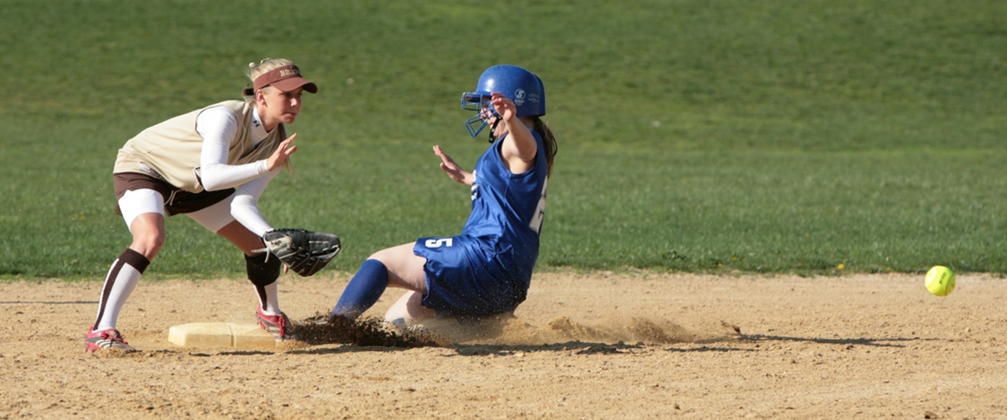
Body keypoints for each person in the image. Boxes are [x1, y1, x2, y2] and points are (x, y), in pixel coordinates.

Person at [85, 58, 318, 352]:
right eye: (287, 95)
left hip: (194, 186)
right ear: (261, 96)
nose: (295, 103)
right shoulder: (226, 117)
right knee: (150, 237)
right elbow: (211, 176)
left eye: (299, 95)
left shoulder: (276, 145)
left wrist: (272, 236)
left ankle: (270, 313)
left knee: (261, 246)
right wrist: (265, 166)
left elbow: (243, 202)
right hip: (145, 168)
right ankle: (101, 330)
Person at [328, 64, 557, 329]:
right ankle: (488, 327)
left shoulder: (520, 143)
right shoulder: (531, 151)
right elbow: (508, 188)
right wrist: (467, 177)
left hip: (484, 258)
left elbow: (524, 148)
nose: (483, 113)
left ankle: (334, 326)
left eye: (487, 104)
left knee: (381, 262)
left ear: (511, 104)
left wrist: (512, 121)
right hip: (509, 282)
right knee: (397, 321)